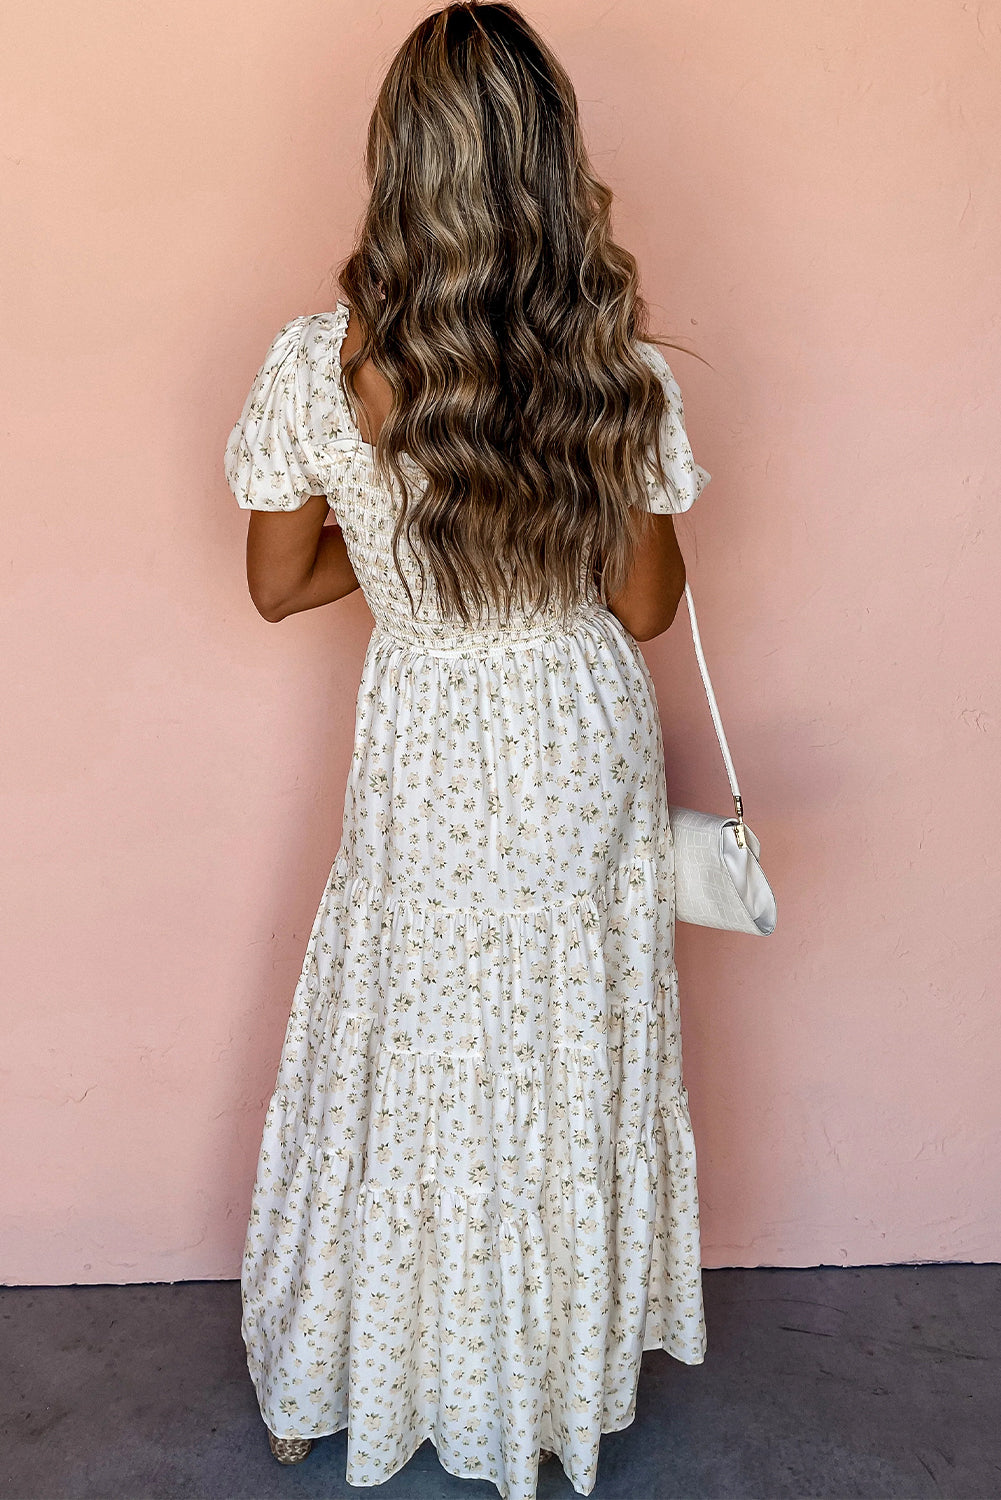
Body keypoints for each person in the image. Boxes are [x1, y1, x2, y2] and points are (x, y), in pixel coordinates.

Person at [223, 4, 710, 1497]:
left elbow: (277, 586)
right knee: (558, 1048)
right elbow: (644, 608)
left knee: (411, 1044)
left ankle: (354, 1371)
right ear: (555, 161)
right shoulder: (612, 364)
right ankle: (540, 1389)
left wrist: (399, 556)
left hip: (426, 728)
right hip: (574, 734)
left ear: (397, 161)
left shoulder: (322, 364)